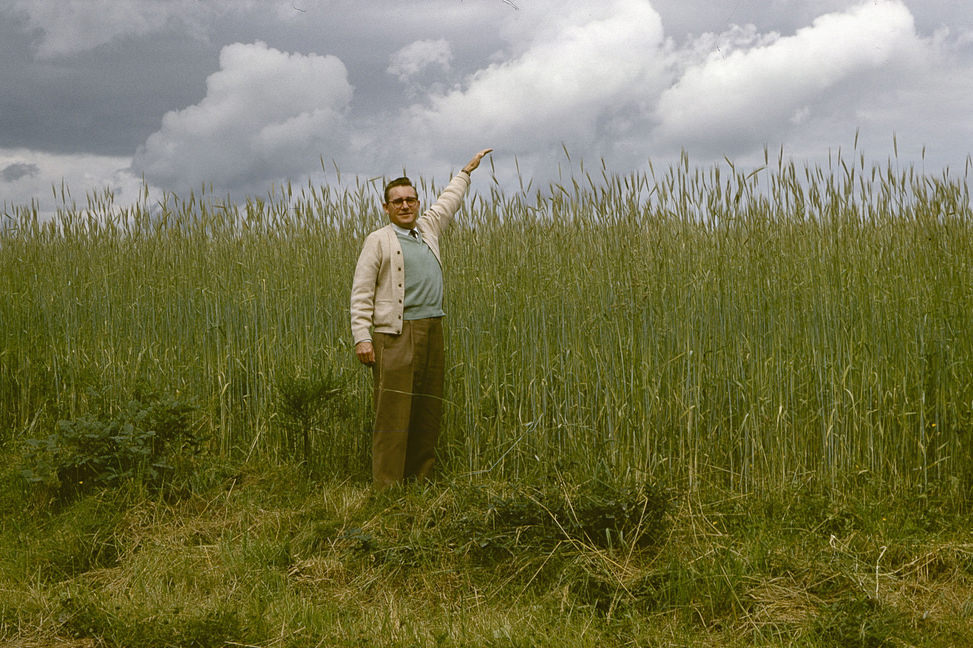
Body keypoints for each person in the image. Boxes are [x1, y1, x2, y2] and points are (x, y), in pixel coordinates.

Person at [350, 148, 493, 488]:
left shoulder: (427, 229)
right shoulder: (378, 240)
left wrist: (466, 172)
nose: (405, 205)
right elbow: (361, 292)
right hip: (395, 335)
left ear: (417, 203)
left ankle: (420, 480)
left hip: (432, 329)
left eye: (410, 200)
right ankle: (387, 487)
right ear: (386, 207)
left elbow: (448, 201)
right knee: (393, 414)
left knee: (427, 410)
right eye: (397, 201)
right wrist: (362, 336)